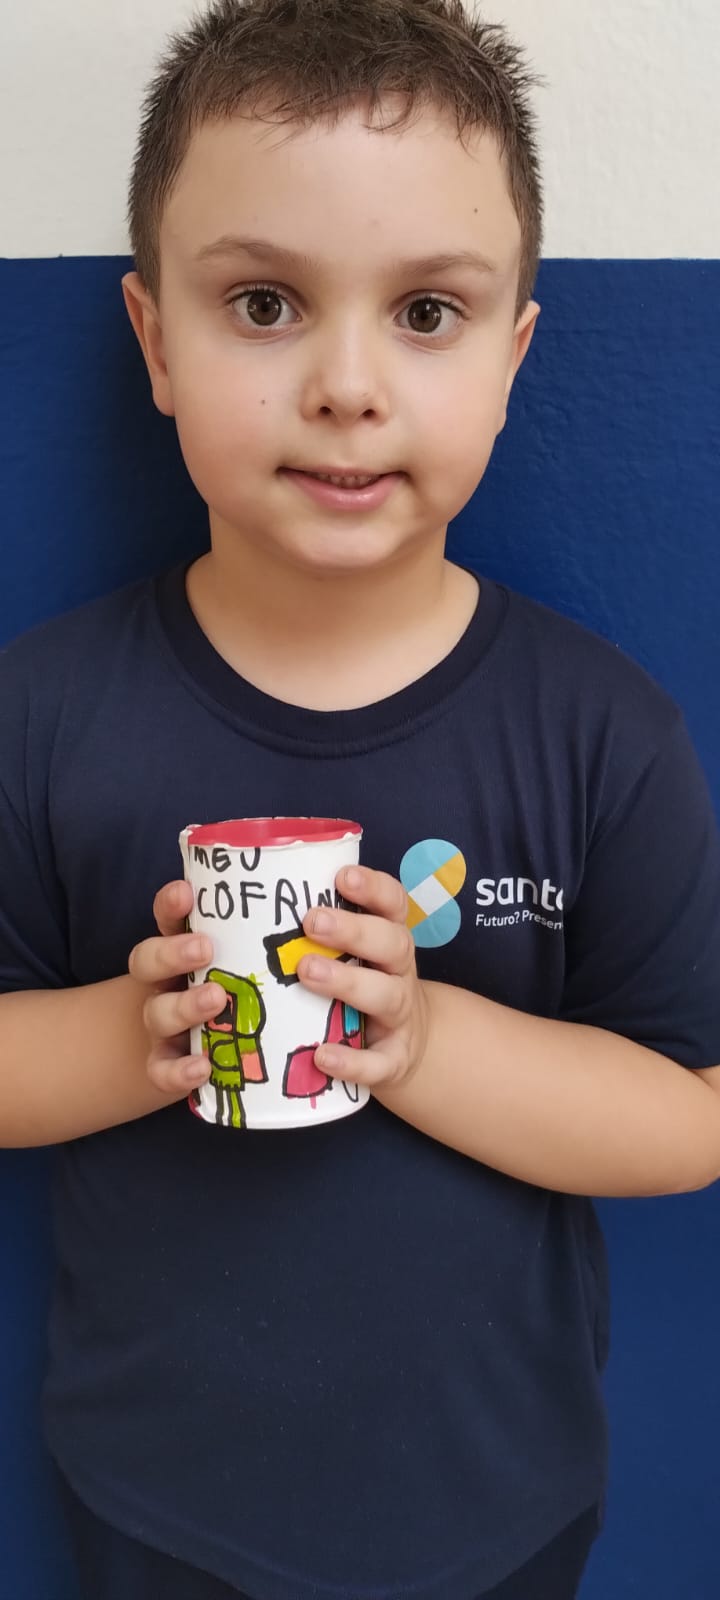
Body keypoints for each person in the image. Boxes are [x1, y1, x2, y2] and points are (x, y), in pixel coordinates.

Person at [2, 1, 720, 1597]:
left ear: (514, 357)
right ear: (156, 344)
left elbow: (692, 1117)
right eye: (264, 303)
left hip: (500, 1507)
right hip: (156, 1502)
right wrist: (138, 1034)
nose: (346, 384)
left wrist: (428, 1042)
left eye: (427, 312)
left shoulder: (603, 734)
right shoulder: (40, 716)